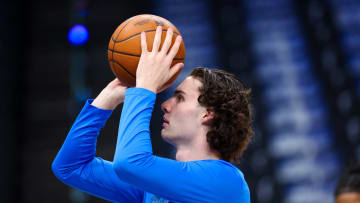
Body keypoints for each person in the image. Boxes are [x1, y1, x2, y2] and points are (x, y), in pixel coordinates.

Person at [52, 26, 254, 202]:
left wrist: (145, 89)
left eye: (180, 97)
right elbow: (71, 167)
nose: (165, 104)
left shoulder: (227, 182)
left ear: (207, 114)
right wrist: (107, 99)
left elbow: (130, 164)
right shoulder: (153, 187)